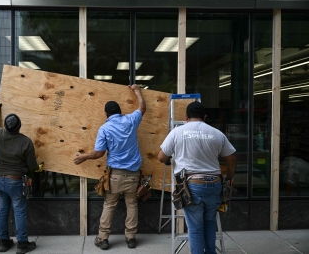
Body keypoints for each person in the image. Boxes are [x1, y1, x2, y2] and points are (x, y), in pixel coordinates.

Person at [157, 101, 236, 254]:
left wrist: (170, 161)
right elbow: (231, 159)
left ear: (186, 116)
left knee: (195, 228)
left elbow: (161, 157)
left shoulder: (177, 132)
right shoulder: (216, 133)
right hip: (214, 185)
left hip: (192, 186)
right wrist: (229, 179)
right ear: (204, 117)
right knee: (209, 223)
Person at [74, 84, 146, 250]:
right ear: (120, 111)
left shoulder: (105, 128)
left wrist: (84, 156)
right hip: (134, 174)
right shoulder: (131, 120)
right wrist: (136, 90)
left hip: (115, 176)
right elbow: (142, 107)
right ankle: (131, 238)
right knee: (132, 204)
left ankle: (103, 238)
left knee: (109, 205)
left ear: (106, 114)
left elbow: (99, 153)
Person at [0, 105, 38, 254]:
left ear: (6, 127)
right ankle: (22, 244)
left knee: (2, 210)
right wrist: (38, 167)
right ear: (19, 126)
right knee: (19, 211)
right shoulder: (26, 141)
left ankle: (3, 242)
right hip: (15, 182)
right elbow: (32, 166)